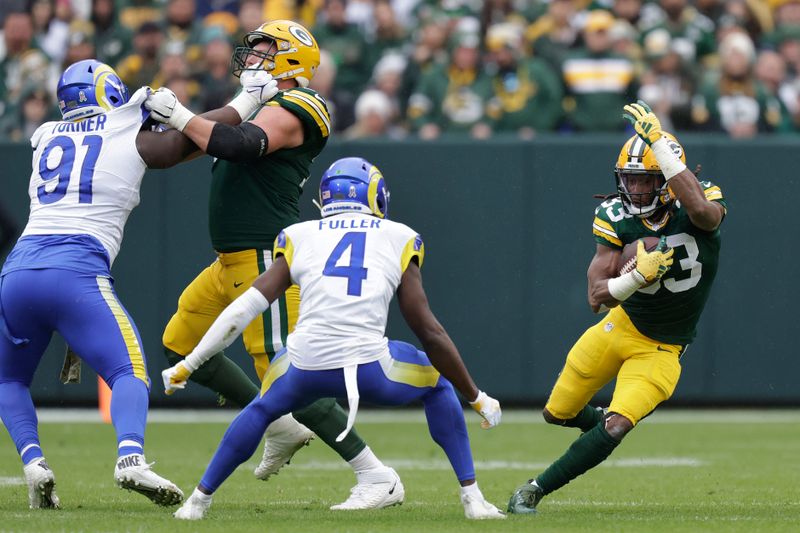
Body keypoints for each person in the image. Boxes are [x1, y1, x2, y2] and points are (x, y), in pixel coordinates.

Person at [146, 20, 407, 510]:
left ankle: (376, 474)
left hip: (266, 257)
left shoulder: (303, 106)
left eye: (266, 50)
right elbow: (199, 143)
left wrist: (180, 113)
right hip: (228, 261)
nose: (254, 58)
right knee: (180, 346)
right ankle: (280, 422)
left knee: (291, 375)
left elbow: (237, 144)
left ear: (291, 60)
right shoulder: (264, 105)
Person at [0, 57, 280, 509]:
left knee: (9, 379)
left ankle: (33, 461)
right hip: (75, 270)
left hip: (17, 272)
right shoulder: (122, 128)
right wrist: (247, 99)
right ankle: (130, 456)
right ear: (109, 93)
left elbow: (169, 143)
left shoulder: (45, 136)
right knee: (128, 370)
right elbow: (181, 145)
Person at [160, 157, 506, 521]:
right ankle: (472, 499)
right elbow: (428, 330)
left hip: (304, 368)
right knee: (437, 385)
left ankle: (197, 502)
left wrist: (190, 362)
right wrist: (476, 396)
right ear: (376, 197)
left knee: (262, 407)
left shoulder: (299, 235)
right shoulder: (400, 237)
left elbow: (244, 308)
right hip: (371, 369)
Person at [507, 100, 726, 514]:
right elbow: (596, 297)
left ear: (666, 178)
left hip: (663, 347)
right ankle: (602, 431)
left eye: (646, 181)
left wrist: (659, 142)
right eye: (630, 180)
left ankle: (533, 490)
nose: (636, 190)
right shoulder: (614, 213)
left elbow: (703, 213)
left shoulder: (700, 199)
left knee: (619, 424)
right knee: (557, 413)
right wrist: (636, 278)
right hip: (621, 325)